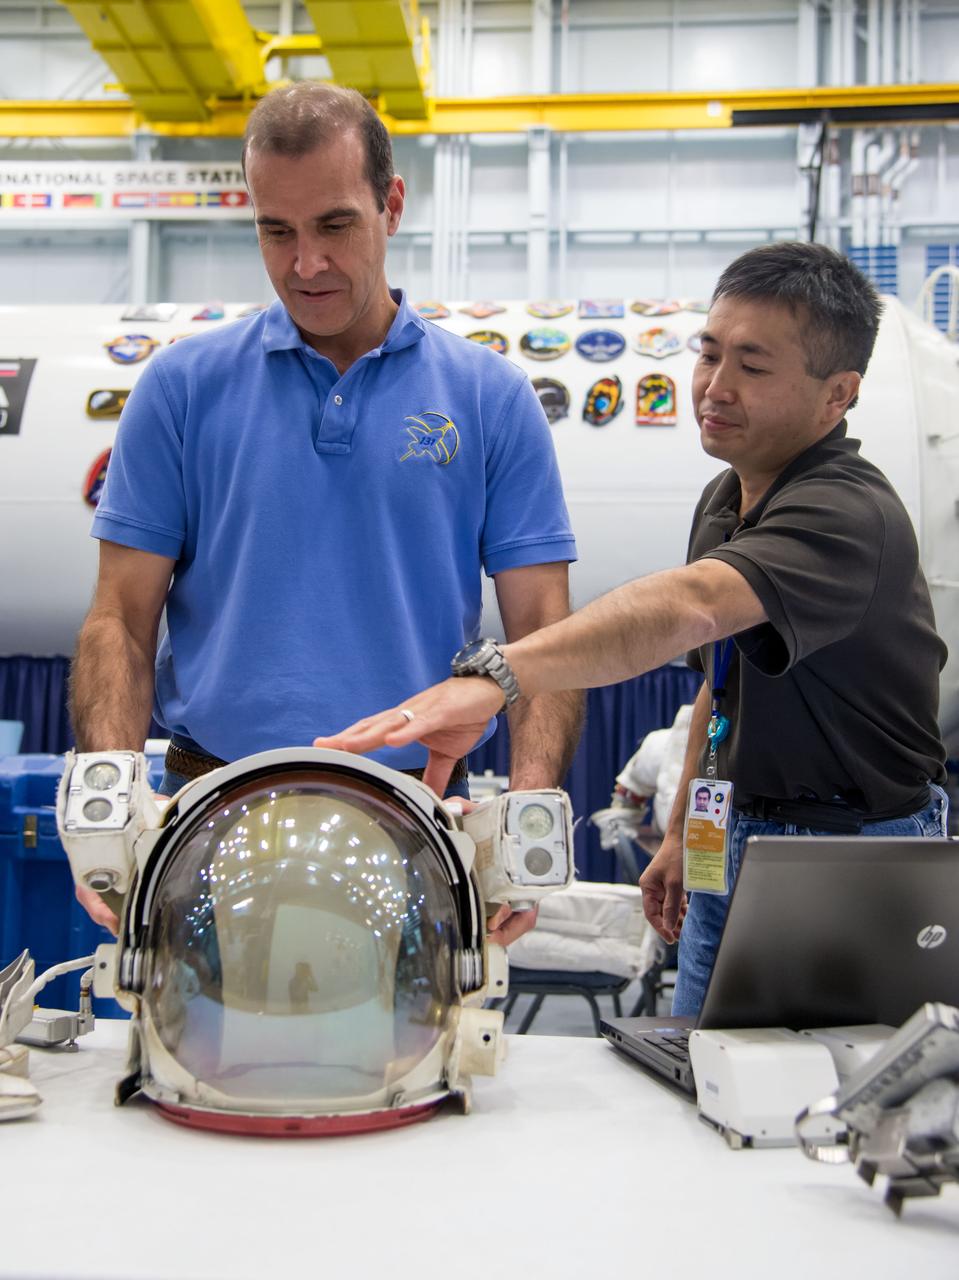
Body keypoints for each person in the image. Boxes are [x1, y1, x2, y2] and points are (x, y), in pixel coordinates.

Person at [315, 242, 949, 1016]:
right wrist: (684, 829)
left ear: (835, 395)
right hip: (736, 832)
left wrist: (496, 677)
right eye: (708, 353)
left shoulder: (848, 515)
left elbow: (689, 606)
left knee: (800, 1097)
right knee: (699, 1063)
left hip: (842, 852)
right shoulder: (726, 497)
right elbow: (721, 689)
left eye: (753, 367)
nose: (714, 387)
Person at [70, 81, 583, 939]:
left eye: (334, 226)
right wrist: (107, 810)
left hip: (409, 822)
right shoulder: (180, 389)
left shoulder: (490, 399)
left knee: (410, 1072)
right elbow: (119, 620)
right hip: (206, 811)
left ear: (392, 204)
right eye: (277, 232)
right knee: (192, 1071)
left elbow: (544, 640)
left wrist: (526, 820)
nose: (304, 265)